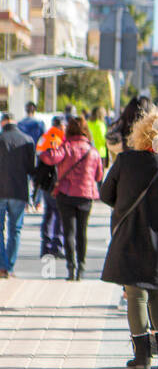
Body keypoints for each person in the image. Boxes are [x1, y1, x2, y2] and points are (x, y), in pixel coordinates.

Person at [101, 110, 158, 369]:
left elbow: (106, 194)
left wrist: (125, 202)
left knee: (135, 295)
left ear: (139, 133)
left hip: (129, 235)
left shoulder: (124, 160)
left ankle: (141, 358)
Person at [41, 116, 105, 281]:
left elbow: (48, 158)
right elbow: (99, 176)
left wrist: (50, 146)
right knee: (82, 233)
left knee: (69, 232)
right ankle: (81, 268)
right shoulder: (92, 151)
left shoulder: (66, 147)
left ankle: (71, 269)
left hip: (66, 194)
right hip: (85, 196)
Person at [0, 113, 36, 278]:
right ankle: (10, 267)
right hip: (19, 191)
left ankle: (2, 265)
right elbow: (31, 169)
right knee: (15, 230)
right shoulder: (27, 140)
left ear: (3, 123)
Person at [36, 115, 66, 260]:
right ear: (61, 126)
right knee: (59, 215)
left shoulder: (44, 137)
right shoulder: (61, 138)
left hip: (44, 182)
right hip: (57, 181)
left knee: (48, 214)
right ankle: (57, 246)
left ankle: (45, 246)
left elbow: (39, 156)